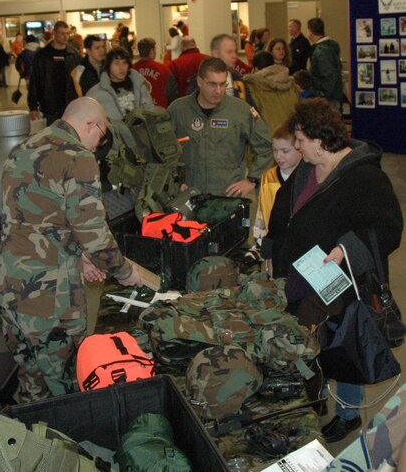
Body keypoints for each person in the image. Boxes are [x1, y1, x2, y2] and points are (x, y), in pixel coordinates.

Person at [262, 98, 403, 443]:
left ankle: (349, 413)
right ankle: (316, 395)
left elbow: (389, 229)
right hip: (298, 275)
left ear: (320, 139)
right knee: (310, 341)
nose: (296, 147)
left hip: (339, 283)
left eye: (300, 140)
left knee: (343, 345)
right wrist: (269, 250)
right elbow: (284, 212)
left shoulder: (365, 177)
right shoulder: (307, 170)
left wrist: (345, 249)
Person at [0, 97, 143, 402]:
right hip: (50, 298)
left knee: (31, 382)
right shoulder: (78, 157)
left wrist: (79, 254)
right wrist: (126, 272)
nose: (94, 147)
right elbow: (96, 237)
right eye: (98, 138)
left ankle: (35, 442)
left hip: (8, 290)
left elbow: (40, 219)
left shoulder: (23, 149)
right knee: (68, 391)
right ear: (91, 125)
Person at [168, 56, 273, 196]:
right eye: (212, 84)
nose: (218, 91)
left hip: (227, 198)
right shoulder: (178, 110)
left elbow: (267, 146)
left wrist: (252, 179)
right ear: (199, 81)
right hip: (189, 197)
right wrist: (175, 182)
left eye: (223, 84)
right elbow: (162, 151)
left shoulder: (240, 111)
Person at [245, 120, 301, 265]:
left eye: (285, 151)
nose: (278, 156)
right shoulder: (267, 177)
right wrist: (260, 247)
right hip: (274, 246)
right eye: (274, 150)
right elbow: (261, 216)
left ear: (299, 148)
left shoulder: (309, 175)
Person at [28, 20, 80, 125]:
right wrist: (33, 106)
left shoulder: (74, 55)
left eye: (67, 33)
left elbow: (80, 79)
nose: (65, 37)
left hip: (71, 105)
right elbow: (35, 81)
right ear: (54, 33)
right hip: (50, 105)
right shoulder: (42, 56)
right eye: (62, 34)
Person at [87, 46, 154, 121]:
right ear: (108, 66)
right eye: (116, 63)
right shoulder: (96, 94)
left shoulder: (139, 86)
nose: (121, 67)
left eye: (124, 63)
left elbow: (151, 111)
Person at [244, 50, 299, 133]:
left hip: (267, 138)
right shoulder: (291, 85)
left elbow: (252, 115)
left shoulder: (252, 87)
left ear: (256, 69)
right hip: (292, 136)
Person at [307, 17, 343, 109]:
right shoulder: (330, 46)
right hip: (331, 97)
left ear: (310, 31)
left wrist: (321, 95)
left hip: (326, 99)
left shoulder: (322, 51)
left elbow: (329, 76)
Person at [133, 37, 177, 107]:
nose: (156, 52)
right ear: (151, 52)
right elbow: (172, 94)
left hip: (138, 112)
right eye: (155, 49)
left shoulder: (132, 70)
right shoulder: (164, 70)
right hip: (159, 112)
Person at [68, 34, 106, 98]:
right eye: (97, 48)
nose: (101, 50)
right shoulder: (79, 71)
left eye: (102, 47)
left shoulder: (109, 67)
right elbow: (73, 96)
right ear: (88, 51)